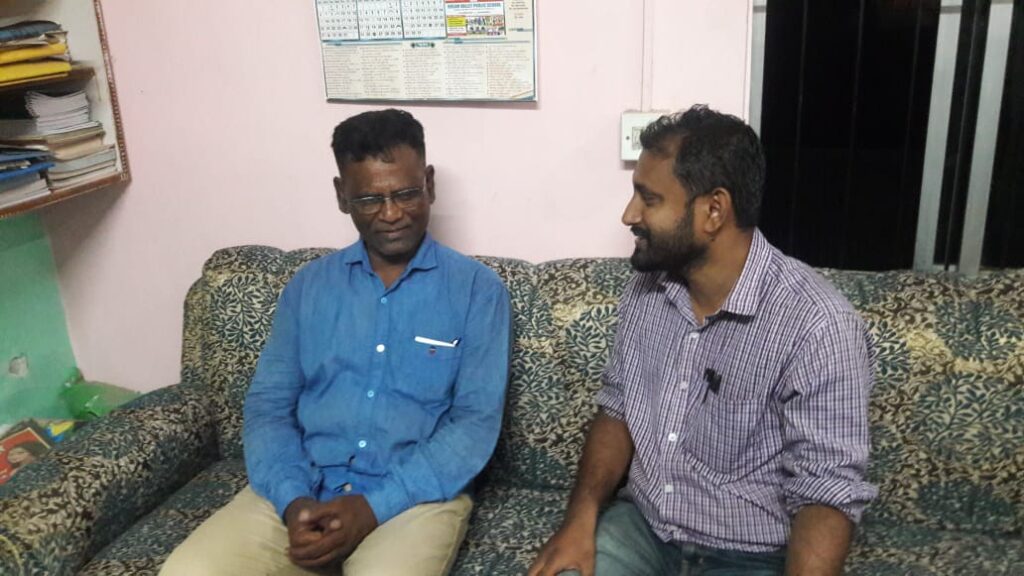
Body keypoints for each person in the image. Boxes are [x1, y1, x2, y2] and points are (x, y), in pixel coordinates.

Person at [529, 105, 876, 576]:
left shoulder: (818, 324)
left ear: (714, 210)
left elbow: (826, 490)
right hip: (644, 529)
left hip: (749, 555)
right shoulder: (647, 289)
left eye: (649, 199)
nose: (630, 214)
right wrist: (579, 521)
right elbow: (618, 410)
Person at [161, 109, 511, 576]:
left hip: (415, 497)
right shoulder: (308, 288)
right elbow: (268, 407)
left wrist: (371, 508)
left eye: (406, 193)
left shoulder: (477, 291)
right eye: (369, 199)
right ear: (341, 195)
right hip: (303, 485)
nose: (392, 214)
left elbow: (474, 426)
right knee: (189, 570)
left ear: (429, 185)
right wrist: (293, 501)